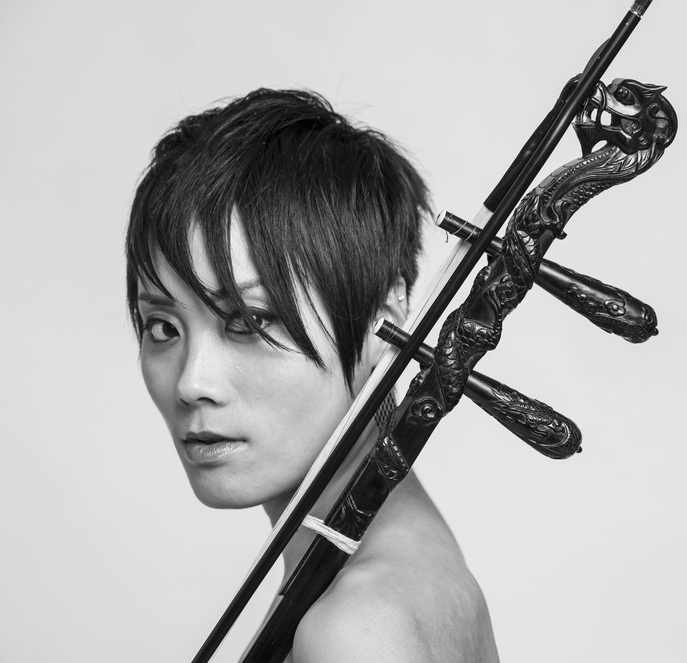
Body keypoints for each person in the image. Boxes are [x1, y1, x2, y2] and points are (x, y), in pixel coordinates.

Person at [126, 88, 499, 662]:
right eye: (162, 328)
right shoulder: (400, 559)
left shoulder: (356, 630)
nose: (190, 382)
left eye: (249, 322)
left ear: (384, 321)